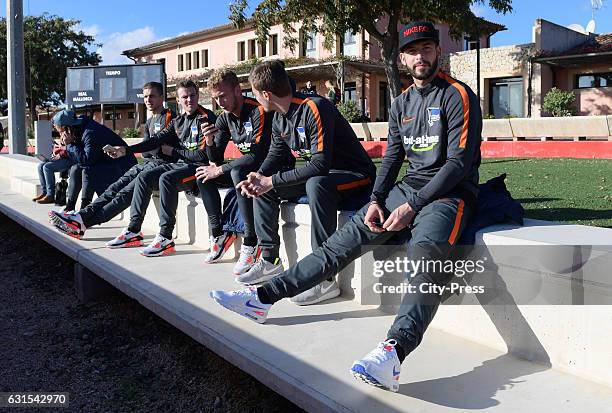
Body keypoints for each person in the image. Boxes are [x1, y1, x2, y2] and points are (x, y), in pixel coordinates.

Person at [210, 21, 482, 392]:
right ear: (402, 57)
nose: (421, 57)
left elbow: (458, 164)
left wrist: (413, 207)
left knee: (425, 262)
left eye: (428, 49)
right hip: (406, 190)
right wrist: (376, 200)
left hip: (449, 195)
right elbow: (392, 159)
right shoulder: (401, 101)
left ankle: (393, 352)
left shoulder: (457, 95)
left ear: (438, 51)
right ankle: (262, 298)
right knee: (342, 241)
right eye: (413, 51)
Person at [232, 60, 377, 306]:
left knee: (316, 184)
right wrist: (260, 176)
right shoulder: (279, 117)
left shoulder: (314, 107)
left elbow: (320, 165)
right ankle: (269, 261)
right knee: (264, 189)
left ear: (266, 93)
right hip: (323, 176)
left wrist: (271, 180)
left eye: (255, 95)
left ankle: (324, 279)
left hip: (356, 175)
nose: (256, 101)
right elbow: (276, 154)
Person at [49, 82, 176, 244]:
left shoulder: (170, 117)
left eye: (152, 96)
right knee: (113, 190)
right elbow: (147, 151)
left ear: (161, 97)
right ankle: (80, 217)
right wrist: (155, 149)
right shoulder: (150, 121)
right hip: (146, 164)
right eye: (145, 96)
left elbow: (155, 147)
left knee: (122, 194)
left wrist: (152, 149)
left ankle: (84, 223)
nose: (148, 100)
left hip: (157, 167)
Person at [102, 80, 216, 257]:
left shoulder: (206, 118)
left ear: (198, 96)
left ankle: (165, 237)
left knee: (166, 178)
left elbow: (203, 157)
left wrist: (174, 151)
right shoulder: (178, 121)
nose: (189, 100)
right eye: (184, 97)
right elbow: (154, 141)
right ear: (177, 100)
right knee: (144, 176)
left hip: (197, 170)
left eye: (192, 95)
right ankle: (133, 230)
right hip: (181, 165)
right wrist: (126, 150)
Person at [196, 69, 288, 274]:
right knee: (203, 175)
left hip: (271, 168)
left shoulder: (258, 111)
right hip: (246, 169)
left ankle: (251, 240)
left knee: (236, 172)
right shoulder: (224, 117)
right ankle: (218, 234)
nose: (219, 102)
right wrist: (210, 142)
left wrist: (220, 169)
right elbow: (215, 159)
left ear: (237, 91)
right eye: (215, 98)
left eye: (222, 96)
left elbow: (257, 155)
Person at [50, 109, 137, 207]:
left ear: (67, 128)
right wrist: (69, 145)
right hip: (107, 162)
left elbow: (87, 160)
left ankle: (85, 209)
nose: (60, 135)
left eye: (60, 131)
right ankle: (69, 207)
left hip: (122, 167)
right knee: (75, 169)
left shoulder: (90, 132)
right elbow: (79, 159)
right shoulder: (79, 130)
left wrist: (70, 145)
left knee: (88, 171)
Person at [33, 140, 74, 204]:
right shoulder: (63, 133)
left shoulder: (70, 132)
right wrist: (55, 153)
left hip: (70, 158)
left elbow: (71, 148)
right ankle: (45, 192)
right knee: (40, 166)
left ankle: (50, 195)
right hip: (62, 156)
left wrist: (60, 153)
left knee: (47, 167)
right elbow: (61, 147)